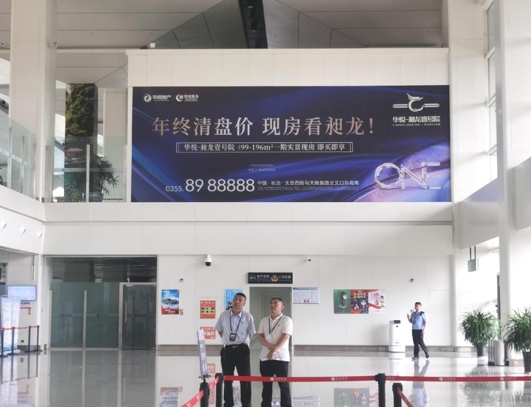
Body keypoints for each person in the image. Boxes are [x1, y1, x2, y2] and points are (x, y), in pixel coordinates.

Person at [215, 293, 255, 407]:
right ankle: (228, 403)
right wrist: (229, 340)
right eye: (235, 299)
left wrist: (239, 341)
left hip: (242, 349)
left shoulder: (247, 316)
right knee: (227, 378)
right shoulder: (224, 315)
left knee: (245, 378)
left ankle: (246, 403)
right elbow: (220, 330)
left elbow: (251, 333)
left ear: (244, 303)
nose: (237, 302)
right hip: (227, 350)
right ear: (232, 301)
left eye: (240, 300)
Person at [257, 297, 293, 407]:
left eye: (276, 303)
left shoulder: (286, 320)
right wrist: (270, 347)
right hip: (265, 356)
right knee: (266, 385)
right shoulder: (264, 320)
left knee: (283, 384)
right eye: (271, 303)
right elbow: (260, 336)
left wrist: (274, 349)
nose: (272, 305)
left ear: (282, 307)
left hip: (281, 357)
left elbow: (286, 336)